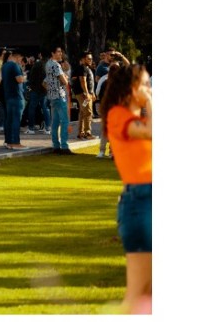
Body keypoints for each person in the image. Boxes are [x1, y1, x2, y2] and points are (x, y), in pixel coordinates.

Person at [100, 63, 152, 312]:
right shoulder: (118, 115)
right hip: (141, 201)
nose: (149, 89)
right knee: (139, 291)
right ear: (130, 88)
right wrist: (151, 102)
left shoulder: (138, 117)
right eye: (144, 84)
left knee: (151, 294)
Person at [45, 46, 73, 155]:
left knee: (55, 122)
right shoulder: (56, 65)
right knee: (65, 121)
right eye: (58, 52)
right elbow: (65, 81)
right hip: (59, 95)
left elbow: (45, 82)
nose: (60, 54)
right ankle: (64, 146)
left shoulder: (48, 64)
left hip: (52, 96)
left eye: (61, 52)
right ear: (52, 53)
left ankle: (56, 145)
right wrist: (66, 76)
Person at [1, 50, 27, 150]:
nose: (21, 60)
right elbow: (19, 79)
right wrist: (25, 77)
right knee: (16, 120)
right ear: (17, 56)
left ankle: (8, 141)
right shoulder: (14, 66)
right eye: (20, 58)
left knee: (9, 120)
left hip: (8, 96)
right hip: (17, 96)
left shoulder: (5, 66)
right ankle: (15, 142)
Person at [75, 51, 97, 139]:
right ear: (83, 59)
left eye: (91, 58)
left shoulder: (87, 68)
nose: (91, 60)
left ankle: (81, 132)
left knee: (82, 112)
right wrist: (87, 93)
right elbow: (82, 81)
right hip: (83, 94)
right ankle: (88, 133)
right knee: (88, 112)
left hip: (86, 93)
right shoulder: (83, 68)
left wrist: (93, 93)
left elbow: (90, 82)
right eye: (88, 58)